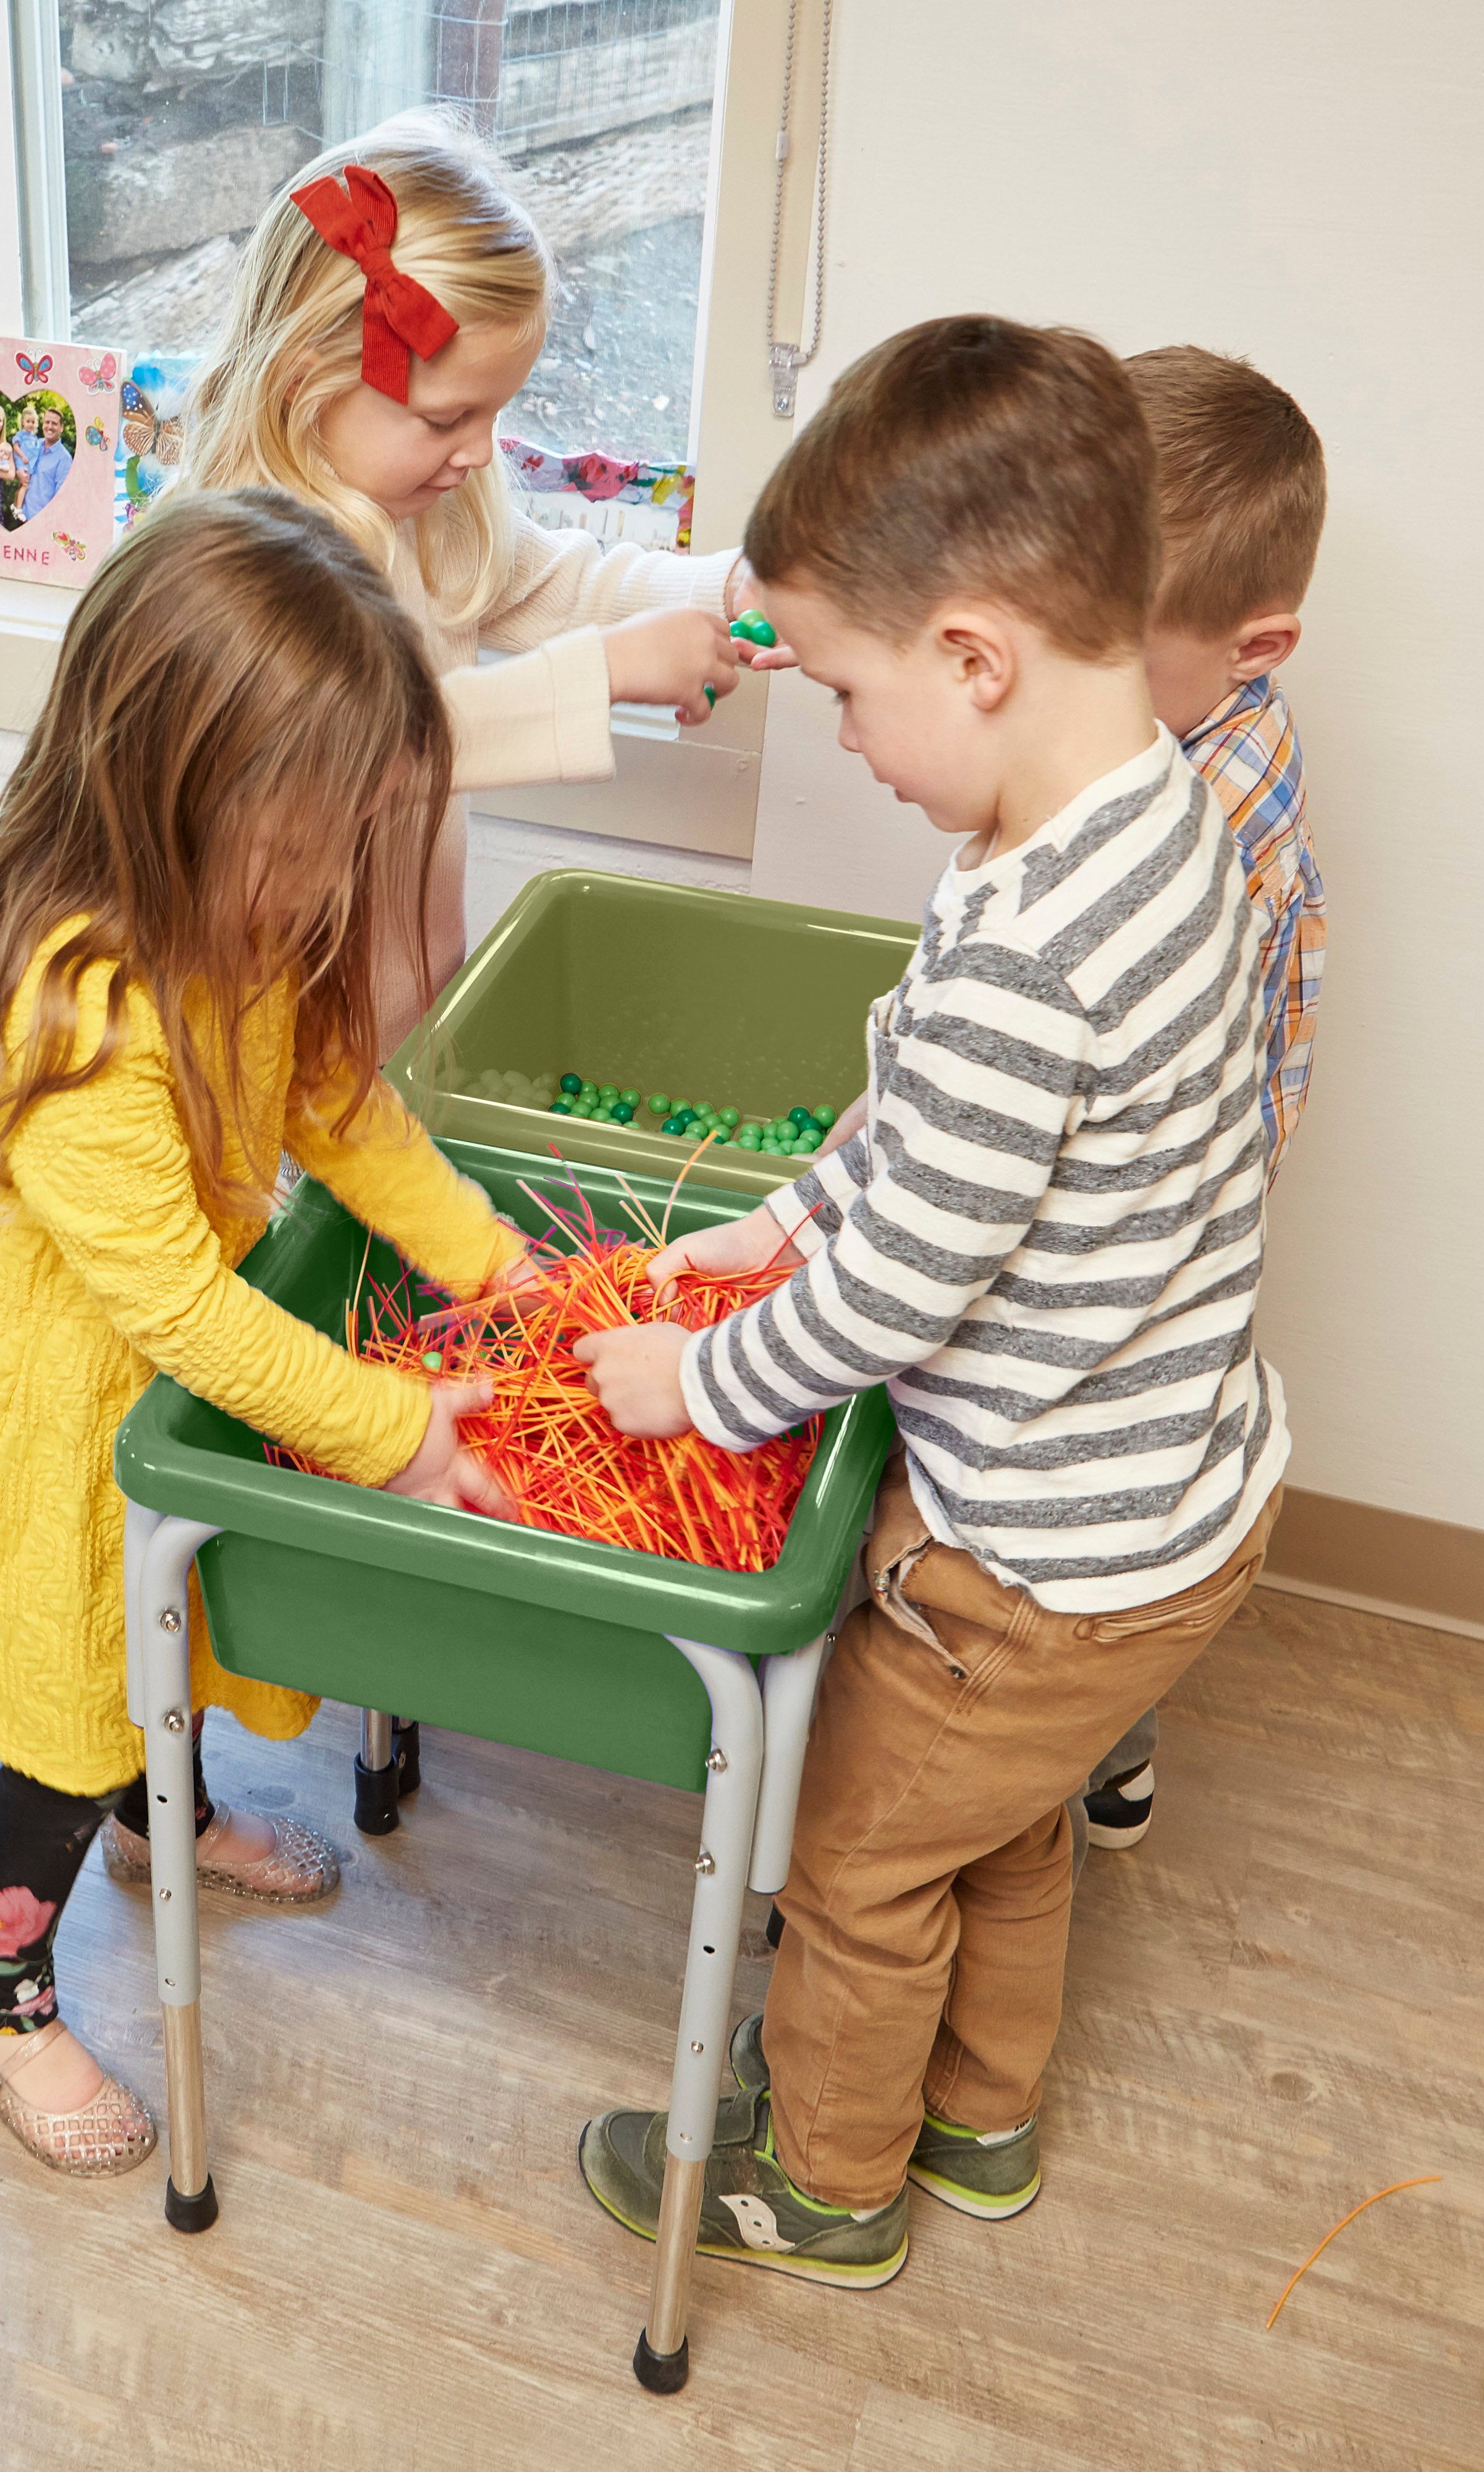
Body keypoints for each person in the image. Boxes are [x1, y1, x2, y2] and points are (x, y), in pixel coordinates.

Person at [570, 318, 1289, 2284]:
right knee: (1010, 1827)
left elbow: (890, 1300)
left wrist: (693, 1379)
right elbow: (930, 1136)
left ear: (975, 655)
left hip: (1032, 1557)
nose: (845, 739)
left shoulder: (1022, 947)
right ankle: (976, 2123)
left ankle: (827, 2180)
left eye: (847, 691)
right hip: (1173, 1514)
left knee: (862, 1857)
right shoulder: (1149, 809)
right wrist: (788, 1207)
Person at [0, 489, 535, 2175]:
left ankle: (145, 1818)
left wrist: (495, 1269)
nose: (335, 881)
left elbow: (347, 1116)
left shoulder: (249, 928)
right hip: (45, 1418)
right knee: (63, 1707)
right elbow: (174, 1299)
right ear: (181, 798)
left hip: (157, 1389)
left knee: (154, 1638)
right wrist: (402, 1431)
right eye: (313, 839)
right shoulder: (86, 1013)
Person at [174, 112, 754, 1056]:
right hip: (258, 1042)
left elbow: (561, 584)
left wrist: (731, 589)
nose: (480, 450)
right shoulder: (235, 573)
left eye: (495, 411)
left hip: (399, 1018)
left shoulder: (428, 511)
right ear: (302, 383)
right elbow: (356, 754)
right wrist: (603, 674)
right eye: (448, 418)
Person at [1077, 344, 1328, 1856]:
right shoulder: (1187, 735)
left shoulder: (1202, 814)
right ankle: (1107, 1738)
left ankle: (1099, 1728)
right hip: (1157, 1199)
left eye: (1110, 654)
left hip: (1152, 1229)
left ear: (1253, 640)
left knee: (1110, 1503)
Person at [20, 403, 74, 524]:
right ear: (43, 424)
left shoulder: (65, 459)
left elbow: (61, 499)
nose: (50, 427)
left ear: (62, 428)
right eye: (47, 422)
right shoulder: (35, 445)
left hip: (42, 524)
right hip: (23, 517)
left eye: (54, 424)